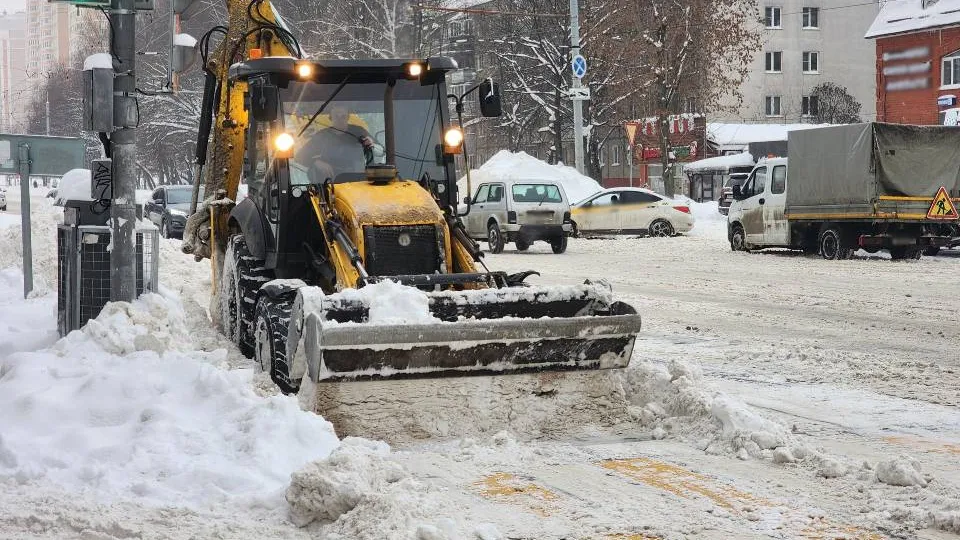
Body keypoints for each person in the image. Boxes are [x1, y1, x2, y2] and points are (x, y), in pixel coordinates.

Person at [297, 103, 375, 181]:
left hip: (358, 181)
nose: (340, 119)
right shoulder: (322, 136)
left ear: (347, 117)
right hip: (330, 183)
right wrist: (316, 162)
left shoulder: (359, 131)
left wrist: (371, 143)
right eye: (336, 116)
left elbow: (380, 150)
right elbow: (299, 156)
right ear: (331, 118)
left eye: (343, 116)